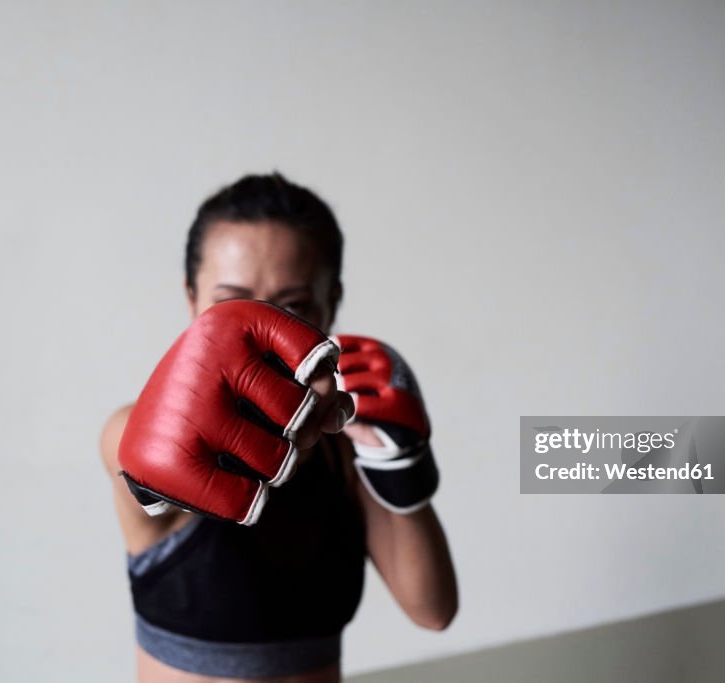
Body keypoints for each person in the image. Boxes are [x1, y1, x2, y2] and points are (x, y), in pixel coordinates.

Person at [99, 173, 458, 682]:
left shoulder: (344, 449)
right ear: (190, 299)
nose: (262, 328)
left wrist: (399, 462)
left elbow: (433, 610)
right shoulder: (141, 433)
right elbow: (132, 456)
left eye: (293, 307)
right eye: (230, 305)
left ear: (331, 302)